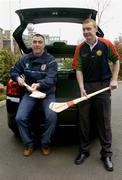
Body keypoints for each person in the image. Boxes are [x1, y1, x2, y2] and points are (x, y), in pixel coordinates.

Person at [72, 19, 120, 171]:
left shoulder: (106, 44)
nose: (86, 32)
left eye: (88, 29)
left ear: (95, 29)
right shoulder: (80, 48)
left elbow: (116, 61)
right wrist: (81, 88)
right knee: (84, 121)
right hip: (86, 87)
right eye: (83, 30)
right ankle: (84, 151)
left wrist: (113, 79)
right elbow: (78, 69)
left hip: (103, 87)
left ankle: (106, 154)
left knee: (104, 122)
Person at [10, 33, 57, 157]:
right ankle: (29, 144)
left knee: (52, 117)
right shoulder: (24, 59)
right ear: (31, 44)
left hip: (47, 94)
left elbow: (51, 79)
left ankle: (45, 144)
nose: (37, 44)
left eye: (39, 42)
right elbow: (14, 70)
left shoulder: (51, 60)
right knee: (19, 118)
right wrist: (17, 78)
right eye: (34, 42)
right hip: (30, 93)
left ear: (43, 44)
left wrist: (39, 84)